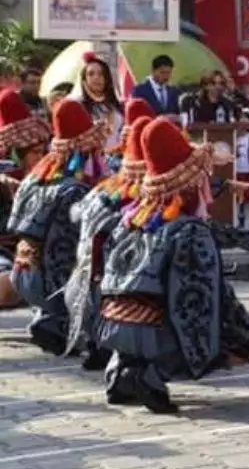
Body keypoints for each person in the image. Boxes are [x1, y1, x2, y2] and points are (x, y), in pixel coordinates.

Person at [95, 118, 249, 413]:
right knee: (234, 342)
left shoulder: (130, 219)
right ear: (190, 183)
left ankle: (121, 375)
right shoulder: (189, 231)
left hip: (108, 329)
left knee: (143, 309)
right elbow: (202, 302)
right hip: (151, 334)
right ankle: (152, 375)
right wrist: (248, 336)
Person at [7, 98, 110, 355]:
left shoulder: (35, 178)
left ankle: (47, 318)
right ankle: (62, 322)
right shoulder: (74, 191)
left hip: (21, 272)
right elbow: (63, 255)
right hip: (47, 281)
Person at [64, 116, 154, 372]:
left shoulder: (103, 190)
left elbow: (75, 214)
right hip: (111, 287)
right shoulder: (139, 203)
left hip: (84, 283)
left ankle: (97, 346)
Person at [0, 89, 52, 310]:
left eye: (43, 151)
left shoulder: (50, 178)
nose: (41, 158)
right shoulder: (7, 176)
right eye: (35, 152)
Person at [74, 52, 124, 150]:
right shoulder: (77, 105)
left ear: (107, 78)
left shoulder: (115, 104)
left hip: (116, 158)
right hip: (90, 160)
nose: (96, 77)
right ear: (84, 79)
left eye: (101, 74)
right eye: (91, 74)